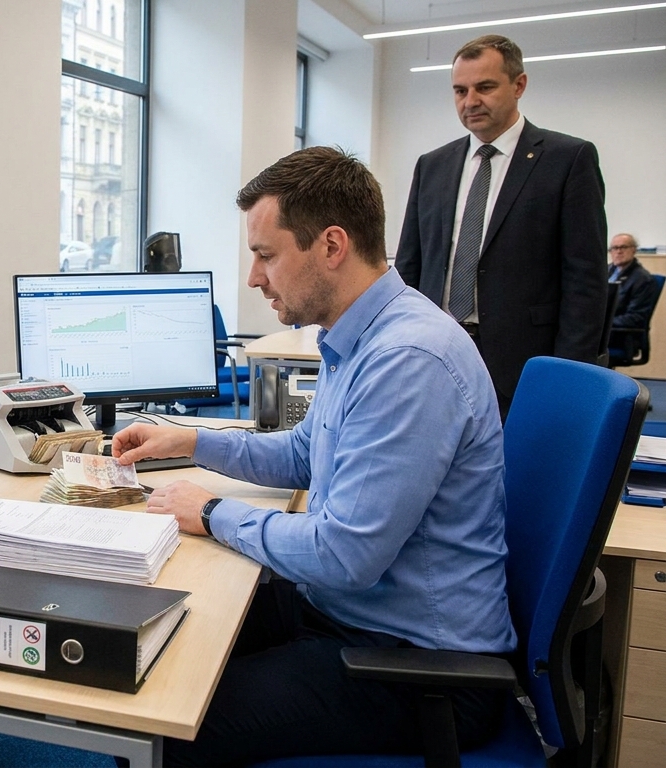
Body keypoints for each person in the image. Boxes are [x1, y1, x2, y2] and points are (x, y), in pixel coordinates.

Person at [112, 147, 514, 765]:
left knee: (165, 725)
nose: (252, 277)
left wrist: (213, 511)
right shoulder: (357, 335)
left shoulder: (407, 360)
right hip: (350, 618)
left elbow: (343, 554)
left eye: (266, 255)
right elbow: (305, 455)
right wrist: (190, 440)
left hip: (416, 666)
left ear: (331, 245)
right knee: (158, 644)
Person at [395, 34, 607, 419]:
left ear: (519, 85)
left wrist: (568, 375)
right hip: (433, 355)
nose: (470, 101)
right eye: (460, 90)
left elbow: (585, 281)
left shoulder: (567, 159)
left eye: (485, 87)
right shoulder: (433, 165)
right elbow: (410, 267)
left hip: (523, 362)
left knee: (518, 474)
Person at [608, 233, 658, 365]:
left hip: (619, 335)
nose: (618, 251)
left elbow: (635, 318)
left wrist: (602, 324)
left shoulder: (642, 279)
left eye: (623, 247)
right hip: (602, 331)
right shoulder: (606, 271)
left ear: (634, 249)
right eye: (614, 248)